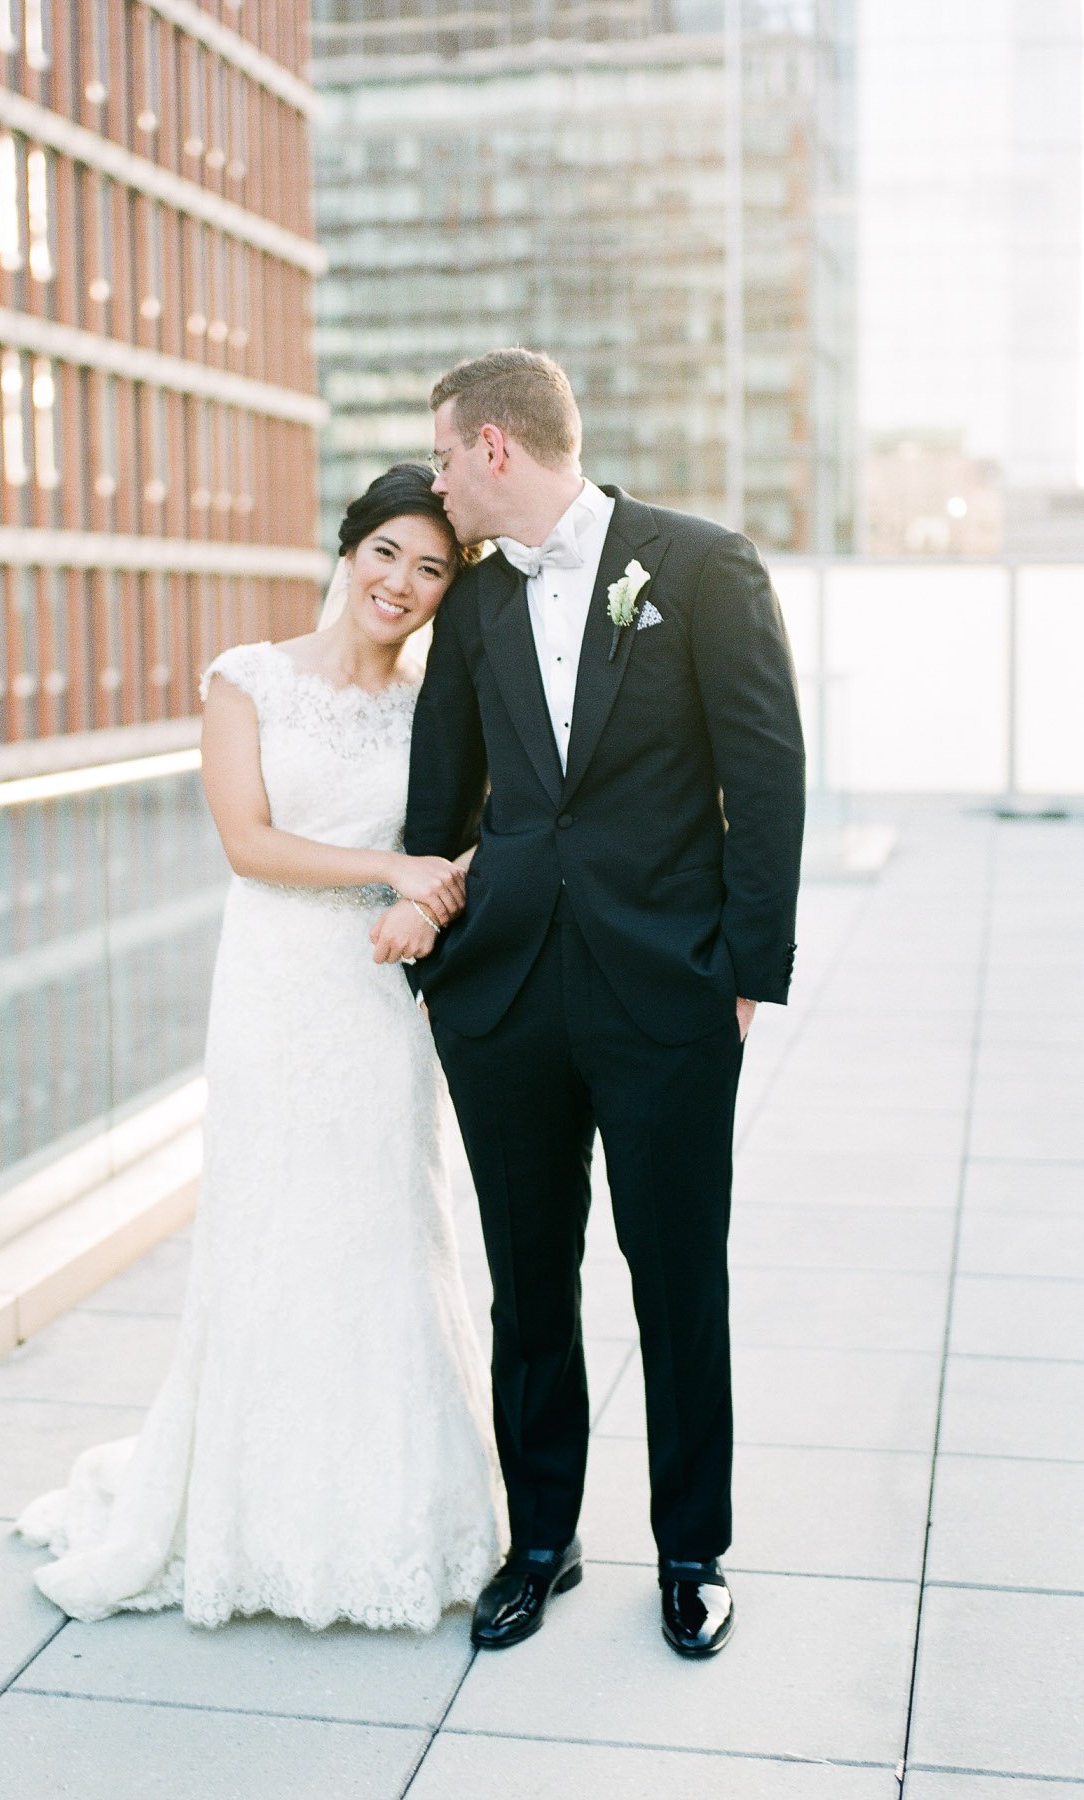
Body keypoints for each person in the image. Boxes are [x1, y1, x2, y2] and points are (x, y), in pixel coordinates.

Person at [15, 464, 505, 1631]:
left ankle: (391, 1515)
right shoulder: (248, 681)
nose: (402, 582)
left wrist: (425, 899)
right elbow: (248, 841)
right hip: (279, 991)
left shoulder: (440, 706)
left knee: (388, 1230)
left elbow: (486, 838)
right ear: (348, 551)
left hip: (383, 999)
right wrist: (391, 869)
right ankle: (254, 1515)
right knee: (272, 1230)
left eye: (431, 568)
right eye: (387, 552)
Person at [371, 349, 805, 1657]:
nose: (436, 482)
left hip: (666, 997)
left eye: (443, 457)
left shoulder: (700, 566)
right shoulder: (478, 608)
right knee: (529, 1282)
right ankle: (541, 1539)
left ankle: (691, 1551)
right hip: (507, 1002)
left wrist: (741, 974)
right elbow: (439, 798)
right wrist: (443, 959)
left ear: (494, 449)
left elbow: (765, 774)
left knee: (676, 1280)